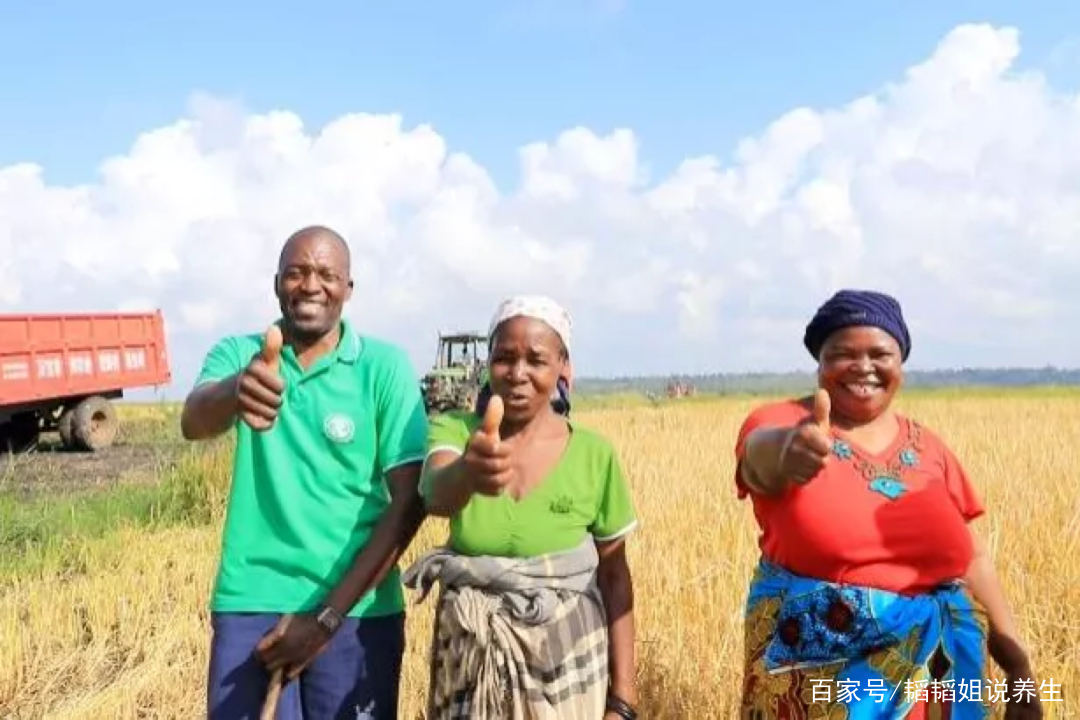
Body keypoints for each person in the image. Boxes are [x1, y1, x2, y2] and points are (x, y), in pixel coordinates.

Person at [732, 289, 1042, 719]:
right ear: (819, 363)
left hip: (940, 682)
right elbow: (757, 461)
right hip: (820, 689)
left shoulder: (929, 447)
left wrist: (1020, 673)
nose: (863, 367)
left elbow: (973, 559)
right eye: (843, 353)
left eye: (880, 353)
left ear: (901, 365)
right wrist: (787, 450)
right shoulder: (782, 423)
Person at [180, 225, 430, 720]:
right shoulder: (241, 355)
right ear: (276, 285)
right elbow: (194, 419)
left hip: (357, 612)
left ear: (348, 289)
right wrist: (239, 389)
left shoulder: (384, 367)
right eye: (296, 273)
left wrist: (325, 620)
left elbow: (410, 501)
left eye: (326, 274)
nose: (310, 284)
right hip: (252, 601)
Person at [400, 295, 641, 720]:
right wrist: (469, 472)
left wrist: (622, 701)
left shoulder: (593, 455)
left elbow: (615, 574)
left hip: (569, 668)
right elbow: (435, 492)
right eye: (505, 357)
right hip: (471, 670)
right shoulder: (455, 430)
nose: (518, 373)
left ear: (562, 367)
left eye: (537, 360)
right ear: (489, 361)